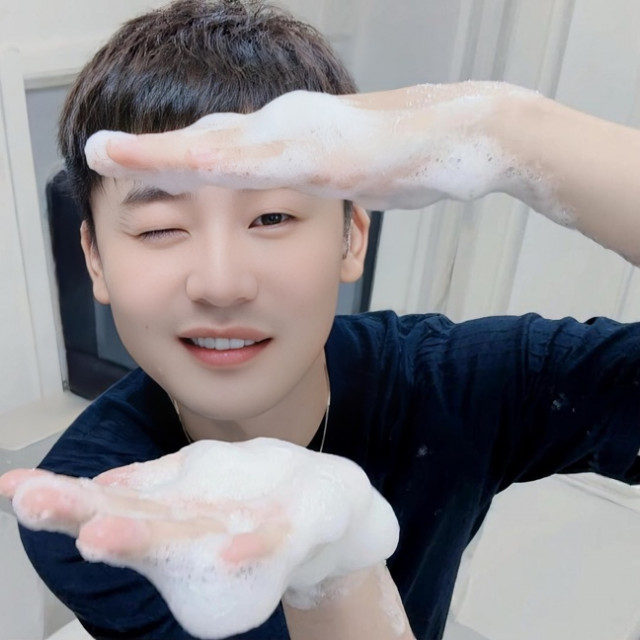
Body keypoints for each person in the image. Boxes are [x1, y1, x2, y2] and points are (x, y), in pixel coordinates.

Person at [3, 0, 640, 638]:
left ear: (351, 236)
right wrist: (331, 572)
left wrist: (507, 130)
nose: (221, 283)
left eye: (272, 217)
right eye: (161, 228)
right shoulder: (92, 508)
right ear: (96, 259)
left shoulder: (455, 387)